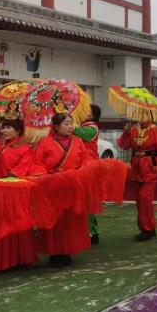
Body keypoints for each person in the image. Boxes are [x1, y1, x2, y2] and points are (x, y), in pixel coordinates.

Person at [0, 103, 38, 273]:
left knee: (14, 226)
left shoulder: (24, 148)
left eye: (8, 127)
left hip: (14, 193)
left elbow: (24, 167)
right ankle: (0, 262)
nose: (4, 131)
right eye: (3, 127)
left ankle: (18, 259)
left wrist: (11, 177)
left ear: (18, 130)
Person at [31, 105, 93, 267]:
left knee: (70, 220)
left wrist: (80, 173)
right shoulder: (45, 143)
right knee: (55, 221)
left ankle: (67, 251)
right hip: (52, 187)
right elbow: (37, 164)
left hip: (72, 186)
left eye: (71, 124)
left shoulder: (78, 142)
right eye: (66, 124)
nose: (70, 127)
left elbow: (86, 161)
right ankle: (55, 252)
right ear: (56, 127)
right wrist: (45, 176)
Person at [118, 118, 157, 241]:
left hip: (150, 168)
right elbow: (123, 145)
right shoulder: (133, 130)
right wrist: (126, 133)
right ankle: (146, 228)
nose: (141, 119)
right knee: (139, 200)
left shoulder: (156, 131)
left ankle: (148, 229)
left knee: (144, 197)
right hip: (136, 168)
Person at [74, 104, 101, 245]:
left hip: (88, 167)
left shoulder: (91, 128)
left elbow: (77, 132)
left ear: (92, 115)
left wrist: (68, 122)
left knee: (87, 201)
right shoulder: (84, 126)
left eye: (86, 111)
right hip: (82, 167)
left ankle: (92, 233)